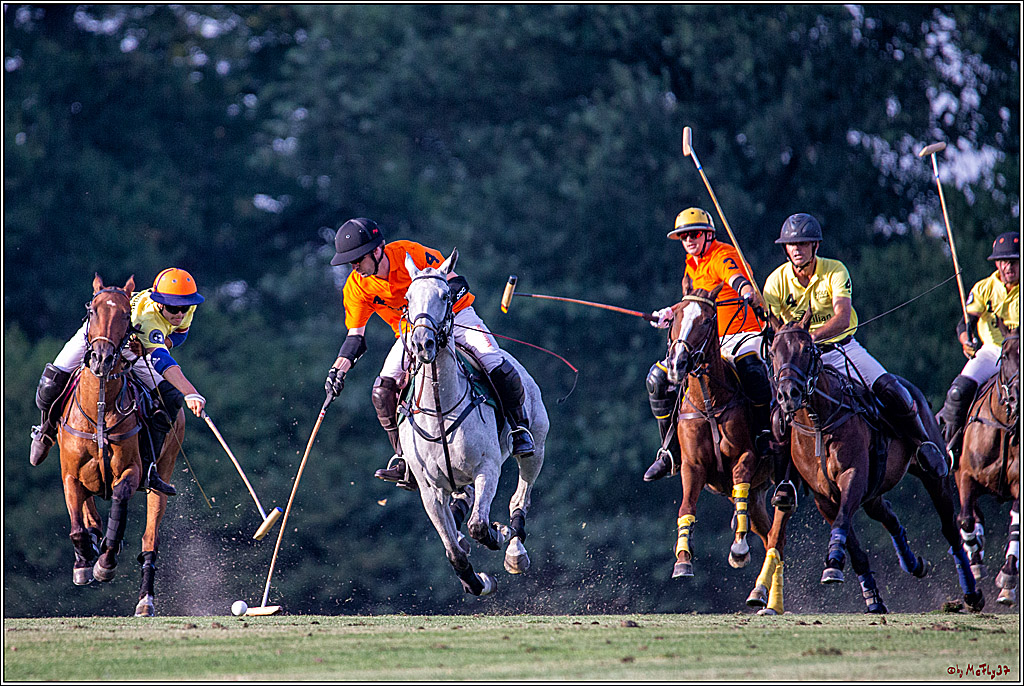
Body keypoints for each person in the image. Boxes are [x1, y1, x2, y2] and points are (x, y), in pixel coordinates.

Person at [324, 218, 534, 491]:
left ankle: (519, 429)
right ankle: (405, 459)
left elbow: (459, 283)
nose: (354, 267)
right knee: (381, 390)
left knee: (494, 362)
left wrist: (436, 306)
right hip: (411, 334)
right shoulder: (356, 287)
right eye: (349, 262)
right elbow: (356, 338)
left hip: (457, 316)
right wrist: (338, 370)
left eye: (357, 259)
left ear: (377, 250)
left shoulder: (410, 254)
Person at [761, 213, 948, 478]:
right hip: (800, 360)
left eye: (803, 244)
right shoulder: (775, 282)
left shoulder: (835, 270)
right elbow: (774, 325)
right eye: (792, 245)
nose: (797, 249)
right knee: (777, 415)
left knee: (888, 386)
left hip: (840, 349)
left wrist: (810, 339)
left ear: (815, 246)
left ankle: (924, 444)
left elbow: (842, 317)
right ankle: (784, 482)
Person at [28, 268, 208, 496]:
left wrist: (163, 344)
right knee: (50, 382)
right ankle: (45, 430)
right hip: (100, 333)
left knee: (170, 399)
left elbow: (180, 333)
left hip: (132, 345)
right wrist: (190, 392)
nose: (180, 313)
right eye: (174, 308)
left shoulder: (185, 309)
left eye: (186, 306)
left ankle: (150, 467)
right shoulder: (148, 318)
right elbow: (162, 361)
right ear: (159, 302)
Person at [644, 207, 780, 501]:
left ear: (708, 234)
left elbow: (734, 277)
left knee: (753, 371)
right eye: (683, 236)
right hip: (707, 340)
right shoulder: (690, 263)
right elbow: (691, 303)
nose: (688, 240)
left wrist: (745, 290)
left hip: (743, 332)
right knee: (658, 378)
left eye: (693, 234)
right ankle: (670, 450)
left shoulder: (722, 254)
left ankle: (765, 437)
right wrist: (668, 313)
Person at [936, 231, 1019, 459]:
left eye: (1014, 261)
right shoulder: (984, 288)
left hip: (1020, 355)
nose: (1008, 267)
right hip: (991, 351)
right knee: (957, 392)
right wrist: (966, 340)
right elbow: (965, 323)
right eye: (1003, 261)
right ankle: (947, 451)